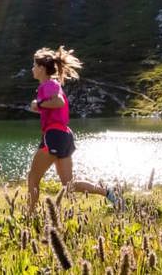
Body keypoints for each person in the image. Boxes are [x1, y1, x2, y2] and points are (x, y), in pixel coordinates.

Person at [26, 45, 118, 215]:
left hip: (53, 136)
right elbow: (54, 108)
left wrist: (38, 104)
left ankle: (29, 215)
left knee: (32, 177)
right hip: (64, 135)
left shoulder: (48, 85)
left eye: (34, 65)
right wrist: (39, 107)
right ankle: (109, 192)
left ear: (41, 68)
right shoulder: (50, 86)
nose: (32, 69)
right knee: (68, 184)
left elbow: (59, 102)